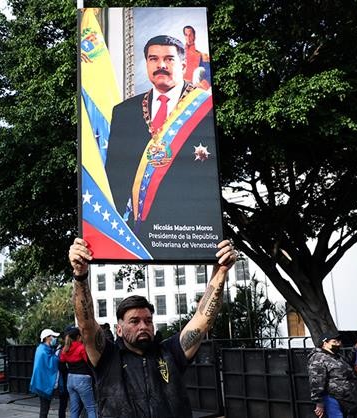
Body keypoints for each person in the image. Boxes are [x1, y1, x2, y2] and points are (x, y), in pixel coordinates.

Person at [68, 237, 236, 418]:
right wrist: (80, 275)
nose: (143, 326)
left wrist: (221, 271)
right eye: (134, 321)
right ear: (119, 329)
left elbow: (204, 318)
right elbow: (86, 324)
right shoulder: (107, 357)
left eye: (148, 320)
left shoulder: (171, 352)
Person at [104, 35, 221, 258]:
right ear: (147, 63)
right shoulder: (124, 111)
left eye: (169, 59)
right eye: (153, 59)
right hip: (139, 231)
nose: (161, 66)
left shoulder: (205, 108)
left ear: (184, 64)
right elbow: (115, 179)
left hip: (189, 231)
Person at [308, 331, 356, 418]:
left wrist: (355, 349)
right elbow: (316, 381)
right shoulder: (318, 358)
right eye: (334, 342)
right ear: (325, 343)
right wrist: (318, 402)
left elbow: (345, 366)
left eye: (339, 341)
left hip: (345, 399)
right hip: (331, 398)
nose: (338, 344)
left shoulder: (336, 356)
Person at [58, 327, 97, 418]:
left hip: (70, 379)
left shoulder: (65, 349)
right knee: (91, 408)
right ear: (79, 337)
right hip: (82, 379)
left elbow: (61, 365)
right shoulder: (82, 348)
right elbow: (90, 363)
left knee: (74, 409)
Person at [30, 328, 60, 418]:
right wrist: (57, 354)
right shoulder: (44, 351)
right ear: (47, 338)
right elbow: (51, 364)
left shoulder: (42, 349)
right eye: (53, 336)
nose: (55, 338)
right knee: (44, 408)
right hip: (43, 384)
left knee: (44, 407)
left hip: (41, 382)